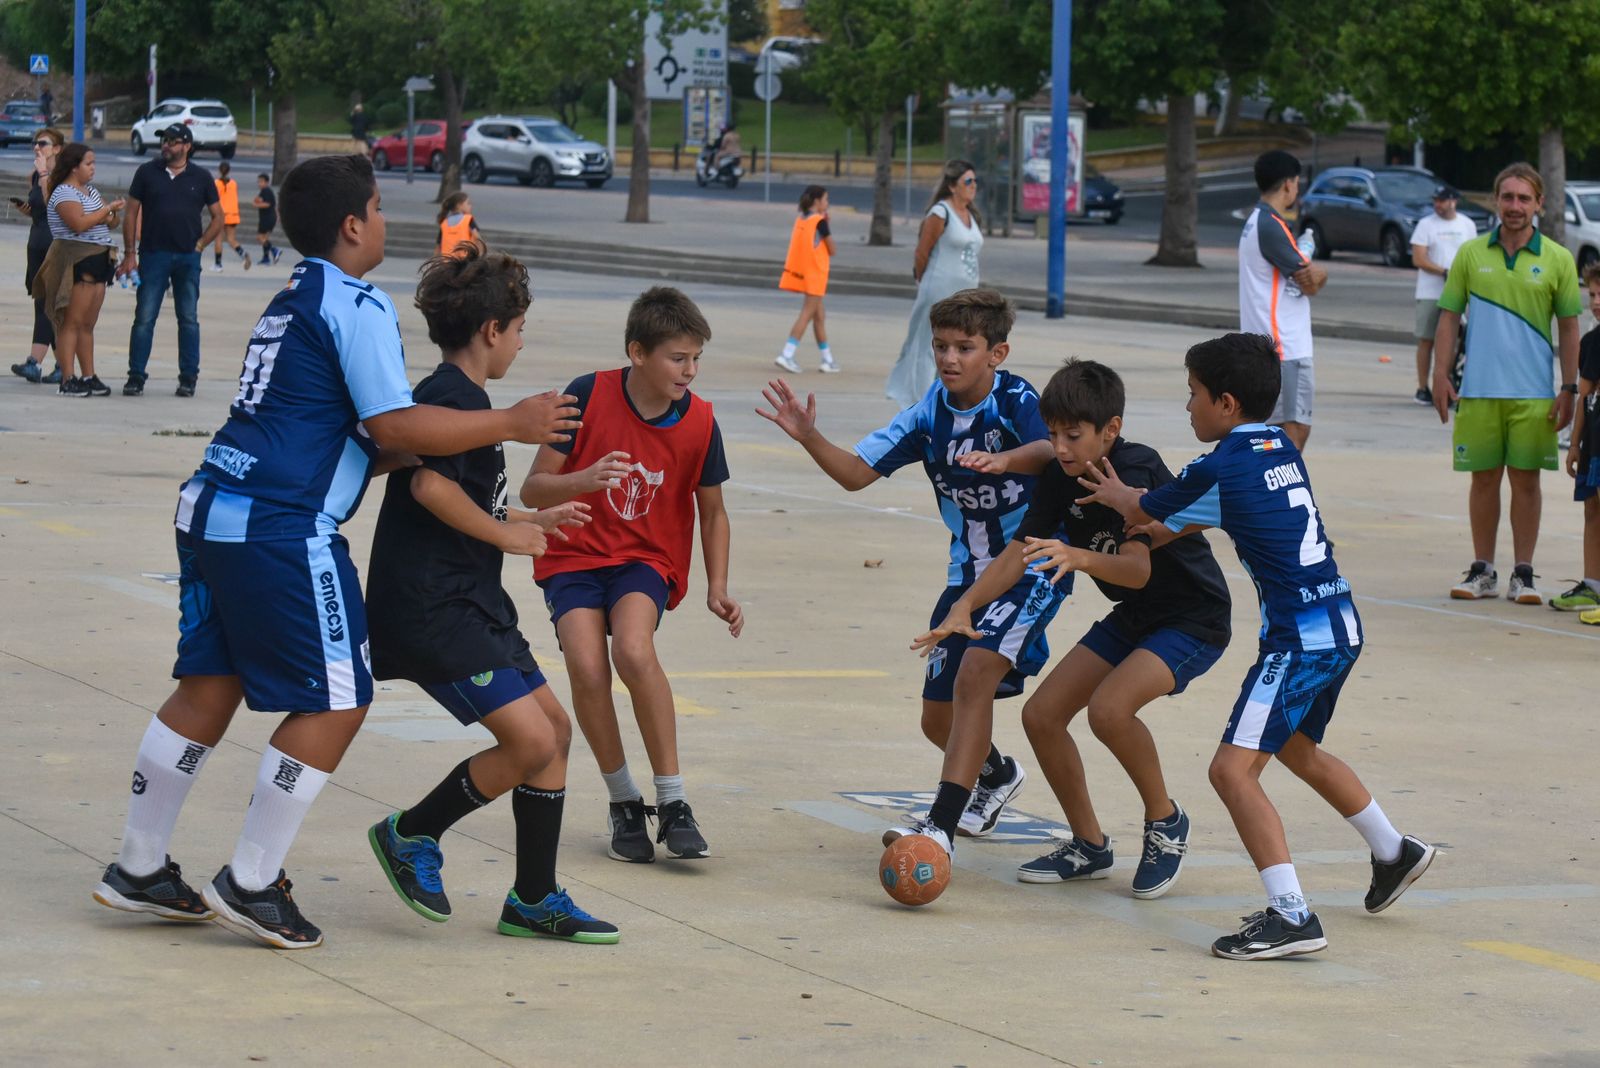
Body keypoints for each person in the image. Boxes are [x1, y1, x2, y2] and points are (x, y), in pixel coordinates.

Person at [90, 154, 583, 950]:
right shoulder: (355, 300)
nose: (386, 221)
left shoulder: (293, 297)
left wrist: (420, 449)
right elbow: (393, 424)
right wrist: (510, 423)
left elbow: (349, 436)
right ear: (353, 225)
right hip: (280, 525)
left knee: (210, 683)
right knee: (339, 700)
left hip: (214, 502)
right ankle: (252, 882)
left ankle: (139, 864)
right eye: (380, 208)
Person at [1078, 332, 1436, 961]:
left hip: (1300, 640)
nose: (1187, 405)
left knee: (1230, 771)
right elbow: (1182, 520)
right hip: (1340, 625)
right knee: (1296, 747)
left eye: (1193, 393)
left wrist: (1118, 498)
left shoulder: (1219, 465)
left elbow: (1141, 504)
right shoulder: (1277, 446)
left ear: (1226, 402)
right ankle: (1393, 850)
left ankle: (1292, 915)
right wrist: (1146, 529)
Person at [364, 248, 618, 943]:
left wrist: (534, 518)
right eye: (520, 329)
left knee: (554, 733)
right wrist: (506, 536)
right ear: (491, 330)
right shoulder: (456, 399)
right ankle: (412, 832)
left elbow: (472, 498)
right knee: (530, 738)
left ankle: (533, 898)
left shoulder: (465, 403)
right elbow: (429, 487)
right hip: (434, 607)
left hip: (473, 602)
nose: (522, 343)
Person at [758, 288, 1061, 866]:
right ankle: (997, 775)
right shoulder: (928, 415)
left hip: (1033, 563)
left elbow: (1053, 448)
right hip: (967, 572)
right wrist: (809, 436)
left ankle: (939, 827)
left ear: (997, 353)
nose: (949, 358)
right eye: (941, 346)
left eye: (964, 348)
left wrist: (1006, 459)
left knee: (975, 675)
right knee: (936, 717)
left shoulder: (1016, 400)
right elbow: (855, 474)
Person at [912, 358, 1232, 898]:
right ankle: (1089, 844)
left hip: (1191, 618)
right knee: (1042, 715)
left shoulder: (1135, 470)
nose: (1058, 447)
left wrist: (1078, 556)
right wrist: (964, 605)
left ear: (1111, 429)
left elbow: (1136, 569)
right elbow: (1020, 551)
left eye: (1072, 435)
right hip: (1136, 616)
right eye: (1053, 434)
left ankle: (1165, 820)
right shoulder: (1061, 476)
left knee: (1110, 711)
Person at [521, 287, 743, 863]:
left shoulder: (701, 423)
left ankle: (673, 801)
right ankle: (624, 800)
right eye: (678, 358)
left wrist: (718, 586)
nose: (689, 371)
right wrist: (583, 479)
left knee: (634, 650)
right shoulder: (586, 394)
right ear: (637, 353)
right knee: (586, 664)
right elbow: (533, 489)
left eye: (696, 358)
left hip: (645, 559)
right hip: (573, 557)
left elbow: (713, 512)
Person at [1433, 162, 1582, 605]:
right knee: (1482, 481)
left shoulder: (1558, 258)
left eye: (1524, 198)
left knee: (1526, 483)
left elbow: (1569, 327)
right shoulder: (1470, 254)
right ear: (1496, 200)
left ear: (1539, 204)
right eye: (1508, 197)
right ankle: (1483, 571)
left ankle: (1523, 574)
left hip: (1534, 394)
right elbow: (1448, 317)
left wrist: (1569, 387)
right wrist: (1439, 374)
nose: (1515, 206)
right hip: (1478, 390)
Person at [117, 123, 224, 398]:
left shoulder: (201, 177)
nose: (166, 145)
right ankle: (136, 376)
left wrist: (200, 245)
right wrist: (130, 253)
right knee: (144, 317)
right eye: (164, 140)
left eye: (173, 141)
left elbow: (218, 217)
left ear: (187, 146)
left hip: (188, 257)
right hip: (153, 255)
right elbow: (131, 213)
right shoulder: (147, 172)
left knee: (188, 318)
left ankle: (188, 377)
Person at [1239, 150, 1326, 452]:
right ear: (1288, 184)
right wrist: (1322, 273)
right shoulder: (1271, 225)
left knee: (1270, 434)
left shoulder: (1255, 221)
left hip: (1265, 345)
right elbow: (1309, 281)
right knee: (1294, 429)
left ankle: (1267, 480)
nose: (1297, 189)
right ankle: (1282, 483)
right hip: (1285, 346)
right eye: (1297, 183)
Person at [886, 160, 984, 408]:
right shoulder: (941, 213)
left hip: (965, 296)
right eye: (968, 181)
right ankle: (922, 404)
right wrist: (926, 283)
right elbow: (922, 252)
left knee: (956, 346)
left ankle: (946, 398)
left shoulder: (970, 215)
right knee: (929, 347)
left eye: (975, 181)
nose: (973, 186)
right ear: (952, 186)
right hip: (938, 290)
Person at [35, 143, 123, 397]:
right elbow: (78, 224)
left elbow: (111, 221)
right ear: (74, 167)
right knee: (71, 322)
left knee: (87, 324)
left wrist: (109, 213)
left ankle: (88, 375)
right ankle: (67, 379)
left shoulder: (90, 191)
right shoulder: (64, 192)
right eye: (88, 163)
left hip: (99, 258)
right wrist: (105, 211)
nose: (93, 168)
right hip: (77, 259)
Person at [1551, 262, 1600, 617]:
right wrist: (1575, 445)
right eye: (1593, 294)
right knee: (1592, 509)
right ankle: (1593, 586)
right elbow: (1585, 397)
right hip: (1596, 443)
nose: (1596, 301)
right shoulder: (1592, 342)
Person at [1408, 186, 1477, 407]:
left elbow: (1473, 255)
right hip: (1430, 291)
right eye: (1435, 201)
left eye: (1442, 200)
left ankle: (1447, 385)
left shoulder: (1467, 225)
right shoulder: (1426, 225)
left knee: (1454, 340)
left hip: (1457, 292)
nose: (1437, 205)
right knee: (1426, 339)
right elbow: (1419, 258)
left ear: (1453, 201)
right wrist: (1444, 272)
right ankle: (1422, 387)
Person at [11, 126, 64, 385]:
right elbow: (40, 210)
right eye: (35, 143)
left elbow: (56, 205)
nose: (37, 147)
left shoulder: (62, 177)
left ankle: (35, 362)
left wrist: (44, 173)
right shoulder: (35, 176)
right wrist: (26, 209)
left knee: (47, 305)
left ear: (57, 149)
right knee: (42, 304)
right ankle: (63, 365)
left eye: (42, 143)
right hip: (36, 244)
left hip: (55, 246)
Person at [775, 184, 837, 374]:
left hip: (805, 272)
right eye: (825, 199)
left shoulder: (801, 218)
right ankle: (787, 354)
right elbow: (832, 249)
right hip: (816, 274)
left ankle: (828, 359)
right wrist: (826, 224)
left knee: (819, 316)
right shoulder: (820, 221)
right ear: (817, 201)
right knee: (807, 314)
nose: (827, 203)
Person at [210, 161, 252, 272]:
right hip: (233, 214)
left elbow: (214, 199)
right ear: (229, 171)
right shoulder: (233, 183)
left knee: (218, 239)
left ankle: (218, 264)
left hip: (221, 214)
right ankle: (243, 254)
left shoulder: (216, 183)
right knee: (231, 239)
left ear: (219, 170)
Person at [435, 191, 481, 257]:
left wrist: (435, 260)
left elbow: (438, 245)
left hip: (447, 260)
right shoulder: (468, 219)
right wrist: (480, 254)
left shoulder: (444, 223)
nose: (470, 206)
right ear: (459, 205)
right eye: (468, 203)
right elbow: (477, 238)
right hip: (464, 259)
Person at [252, 173, 282, 266]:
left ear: (266, 182)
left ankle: (274, 250)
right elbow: (271, 203)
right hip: (270, 217)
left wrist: (256, 205)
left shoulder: (266, 190)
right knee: (265, 239)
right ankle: (266, 258)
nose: (259, 184)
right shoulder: (265, 191)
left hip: (267, 218)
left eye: (261, 182)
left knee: (260, 237)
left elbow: (267, 204)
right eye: (258, 182)